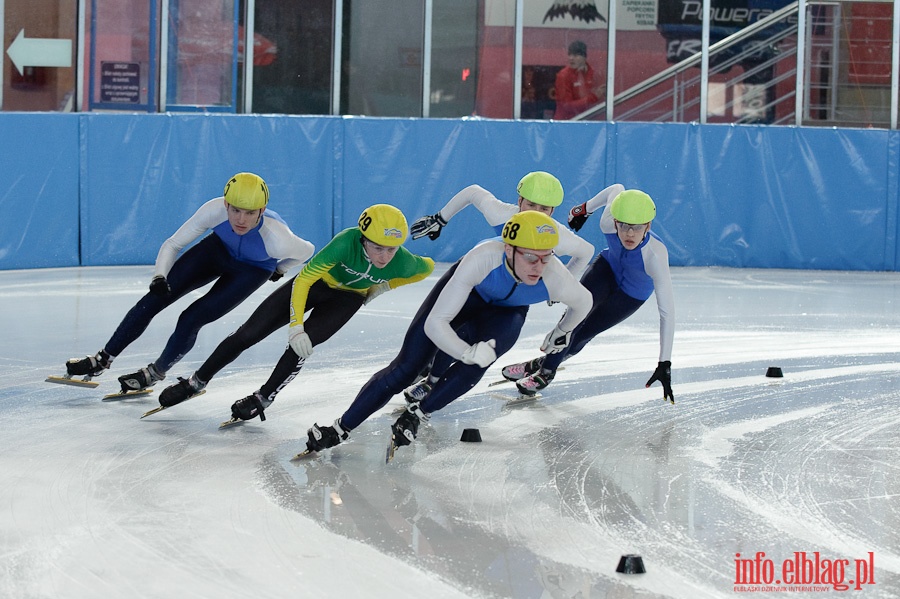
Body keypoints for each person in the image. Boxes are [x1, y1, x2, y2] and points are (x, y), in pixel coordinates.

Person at [300, 210, 593, 457]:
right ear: (509, 249)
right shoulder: (482, 258)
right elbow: (435, 324)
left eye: (546, 258)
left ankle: (417, 414)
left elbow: (584, 303)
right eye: (531, 258)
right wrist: (464, 351)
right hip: (467, 296)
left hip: (507, 312)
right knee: (405, 369)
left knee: (482, 360)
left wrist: (562, 331)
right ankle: (340, 428)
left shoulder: (555, 277)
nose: (538, 267)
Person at [157, 204, 435, 423]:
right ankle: (197, 381)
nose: (384, 257)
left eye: (391, 249)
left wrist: (385, 285)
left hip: (347, 299)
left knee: (299, 349)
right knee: (248, 333)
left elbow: (427, 268)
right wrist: (295, 325)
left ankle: (264, 398)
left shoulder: (403, 262)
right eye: (377, 248)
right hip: (315, 284)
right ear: (363, 239)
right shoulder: (345, 242)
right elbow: (302, 280)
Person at [60, 173, 315, 393]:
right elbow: (173, 243)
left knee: (192, 318)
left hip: (253, 269)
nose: (241, 220)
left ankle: (156, 372)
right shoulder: (213, 210)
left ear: (262, 210)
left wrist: (280, 268)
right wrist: (159, 276)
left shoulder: (278, 238)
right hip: (216, 251)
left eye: (250, 213)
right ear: (225, 204)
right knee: (154, 299)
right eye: (235, 210)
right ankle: (103, 358)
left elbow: (307, 251)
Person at [401, 171, 595, 402]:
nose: (535, 212)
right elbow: (473, 192)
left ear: (552, 212)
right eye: (530, 204)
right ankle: (432, 378)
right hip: (488, 277)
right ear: (519, 201)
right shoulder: (501, 213)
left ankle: (435, 378)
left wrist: (560, 284)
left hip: (515, 291)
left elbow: (586, 252)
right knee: (455, 328)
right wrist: (440, 219)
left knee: (479, 334)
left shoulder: (558, 236)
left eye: (544, 209)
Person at [501, 187, 675, 403]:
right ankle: (546, 372)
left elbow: (667, 312)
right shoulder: (607, 222)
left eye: (637, 227)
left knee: (583, 335)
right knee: (573, 318)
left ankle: (542, 363)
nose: (629, 233)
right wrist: (584, 210)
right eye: (623, 226)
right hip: (606, 269)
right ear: (615, 222)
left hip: (632, 293)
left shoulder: (655, 256)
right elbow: (616, 189)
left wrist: (664, 362)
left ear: (648, 226)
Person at [553, 40, 604, 120]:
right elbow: (566, 106)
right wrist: (593, 97)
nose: (571, 58)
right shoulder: (563, 76)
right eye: (569, 54)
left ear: (584, 57)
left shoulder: (592, 73)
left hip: (585, 119)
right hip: (566, 123)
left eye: (576, 55)